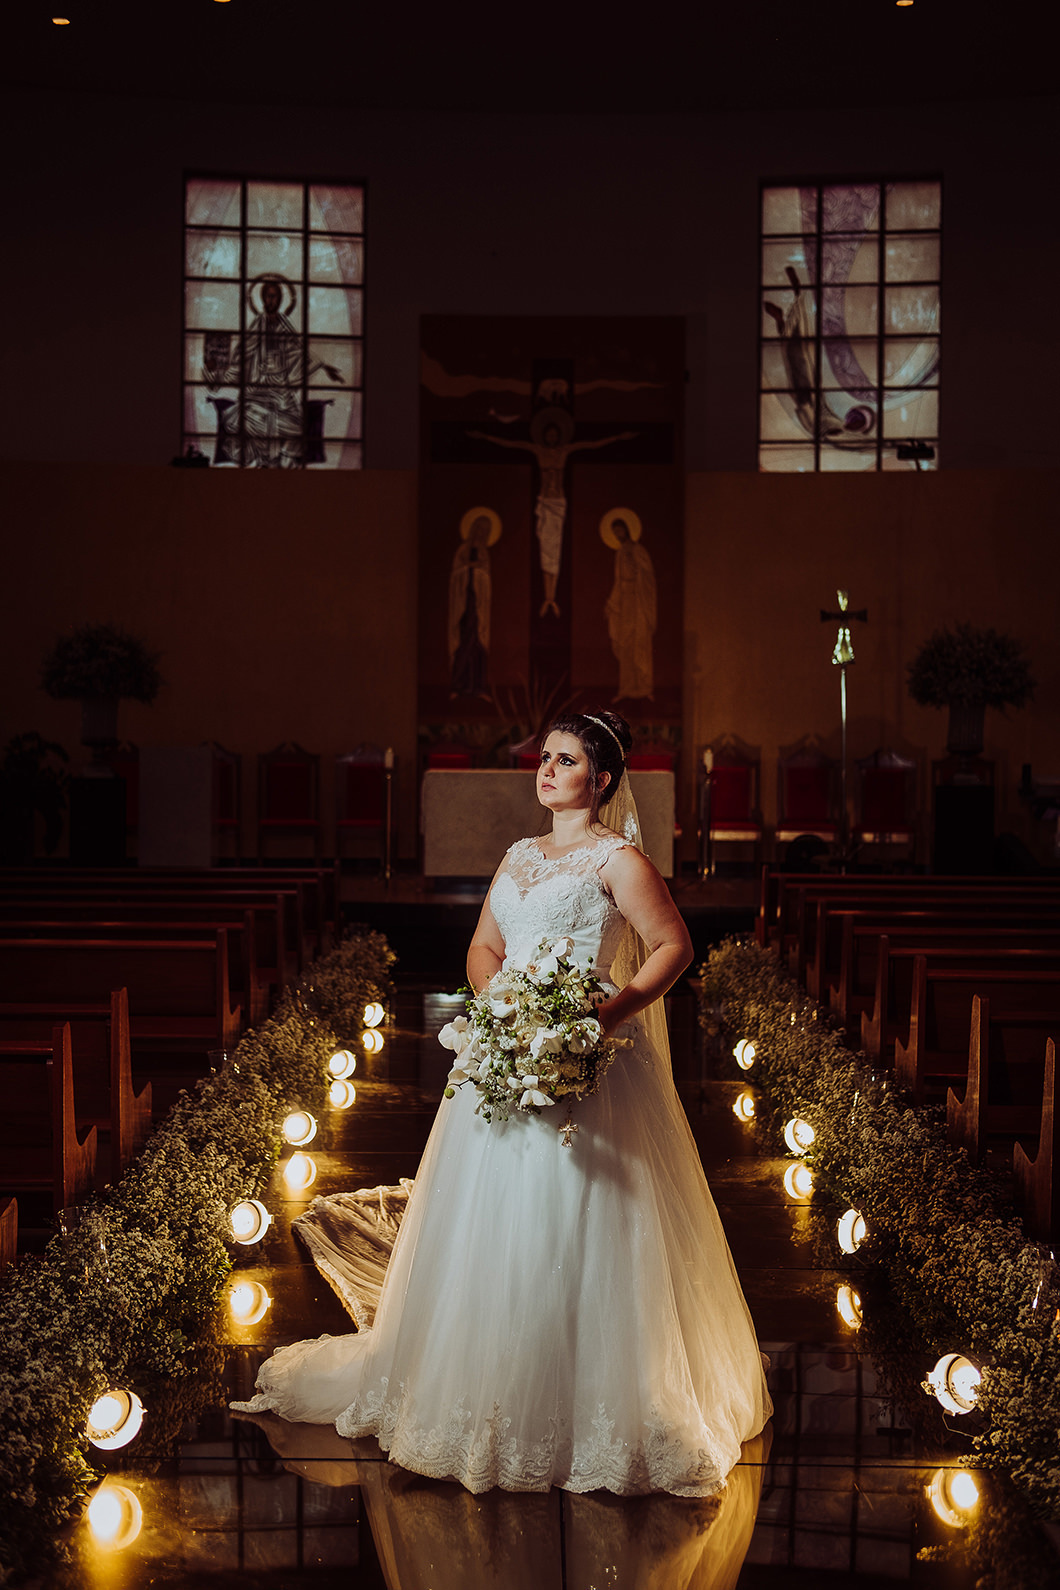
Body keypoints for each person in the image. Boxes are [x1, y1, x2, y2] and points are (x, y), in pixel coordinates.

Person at [232, 709, 772, 1495]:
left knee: (587, 1208)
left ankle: (593, 1389)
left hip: (587, 1047)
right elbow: (483, 947)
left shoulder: (617, 862)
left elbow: (674, 948)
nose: (545, 770)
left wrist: (598, 1016)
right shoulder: (518, 856)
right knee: (490, 1212)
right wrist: (500, 1007)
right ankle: (481, 1378)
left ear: (603, 779)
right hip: (503, 1043)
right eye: (543, 758)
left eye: (564, 760)